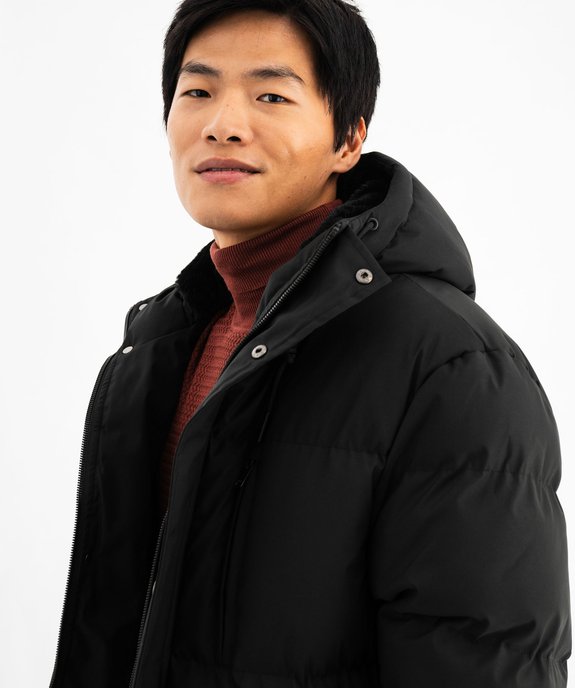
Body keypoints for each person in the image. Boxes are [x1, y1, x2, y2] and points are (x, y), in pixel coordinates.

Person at [48, 1, 571, 686]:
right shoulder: (157, 345)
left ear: (348, 139)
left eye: (270, 96)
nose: (222, 124)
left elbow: (480, 660)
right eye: (197, 92)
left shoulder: (450, 364)